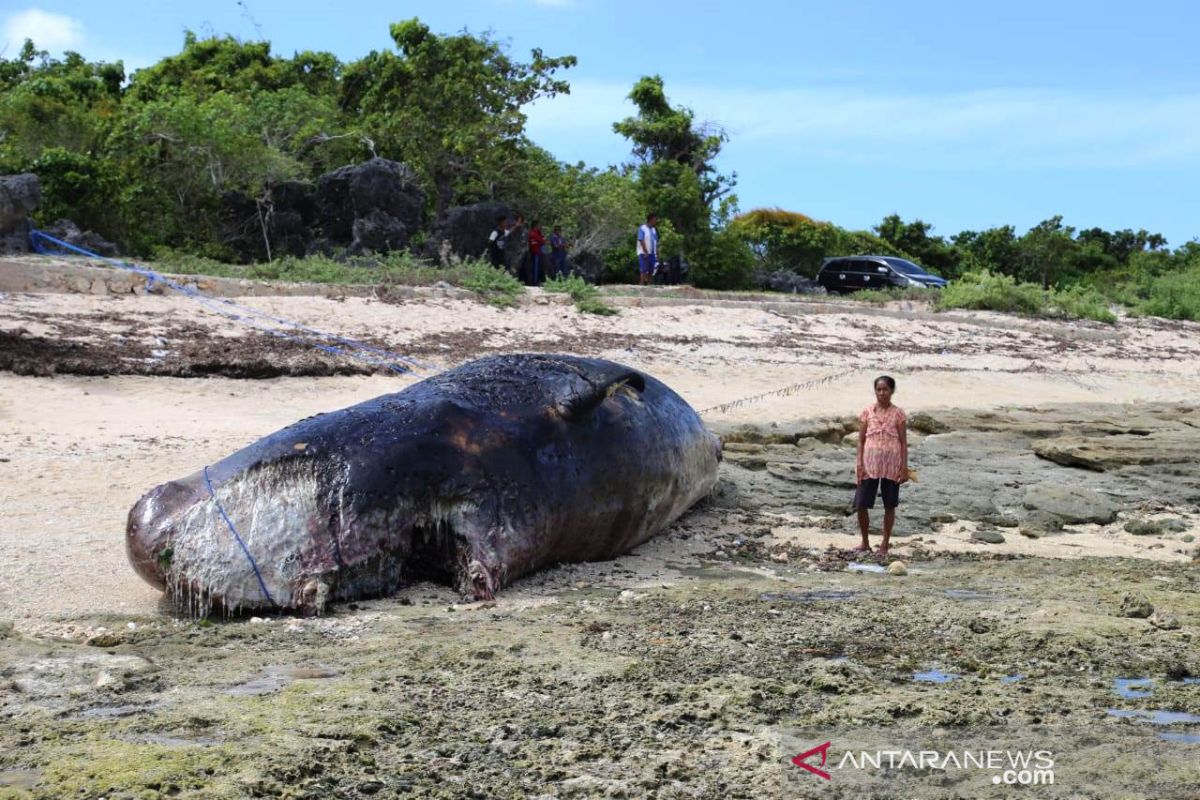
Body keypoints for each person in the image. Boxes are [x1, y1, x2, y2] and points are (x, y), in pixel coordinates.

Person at [853, 375, 909, 555]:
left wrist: (904, 468)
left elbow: (903, 442)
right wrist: (859, 464)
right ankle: (865, 543)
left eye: (885, 389)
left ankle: (885, 544)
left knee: (889, 505)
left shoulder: (899, 414)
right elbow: (860, 441)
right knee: (861, 503)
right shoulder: (867, 412)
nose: (882, 393)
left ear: (892, 391)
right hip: (869, 465)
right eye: (879, 389)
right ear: (875, 391)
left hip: (892, 466)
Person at [636, 213, 658, 286]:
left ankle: (649, 283)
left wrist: (657, 252)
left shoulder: (654, 229)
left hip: (652, 252)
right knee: (643, 269)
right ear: (650, 220)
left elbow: (655, 241)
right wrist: (645, 251)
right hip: (643, 252)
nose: (656, 221)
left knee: (651, 269)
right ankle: (641, 283)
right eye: (655, 219)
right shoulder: (642, 228)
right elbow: (641, 240)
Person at [527, 220, 546, 286]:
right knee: (535, 267)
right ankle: (534, 282)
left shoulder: (538, 233)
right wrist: (540, 241)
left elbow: (542, 241)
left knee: (539, 267)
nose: (540, 226)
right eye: (539, 225)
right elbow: (542, 241)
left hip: (539, 252)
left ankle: (538, 280)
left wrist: (540, 241)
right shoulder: (532, 233)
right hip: (535, 253)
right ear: (536, 225)